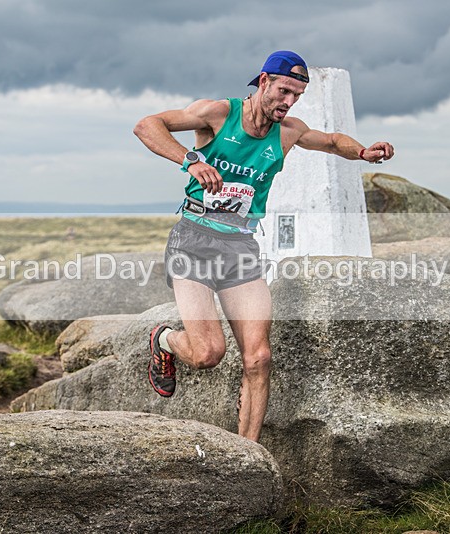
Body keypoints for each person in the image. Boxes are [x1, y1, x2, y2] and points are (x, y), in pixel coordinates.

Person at [133, 50, 394, 442]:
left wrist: (362, 152)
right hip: (194, 242)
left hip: (240, 245)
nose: (288, 103)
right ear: (264, 81)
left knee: (259, 358)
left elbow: (331, 140)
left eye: (297, 96)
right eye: (284, 91)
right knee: (208, 354)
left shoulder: (288, 131)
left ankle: (248, 452)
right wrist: (190, 160)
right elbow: (146, 125)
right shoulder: (217, 113)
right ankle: (164, 340)